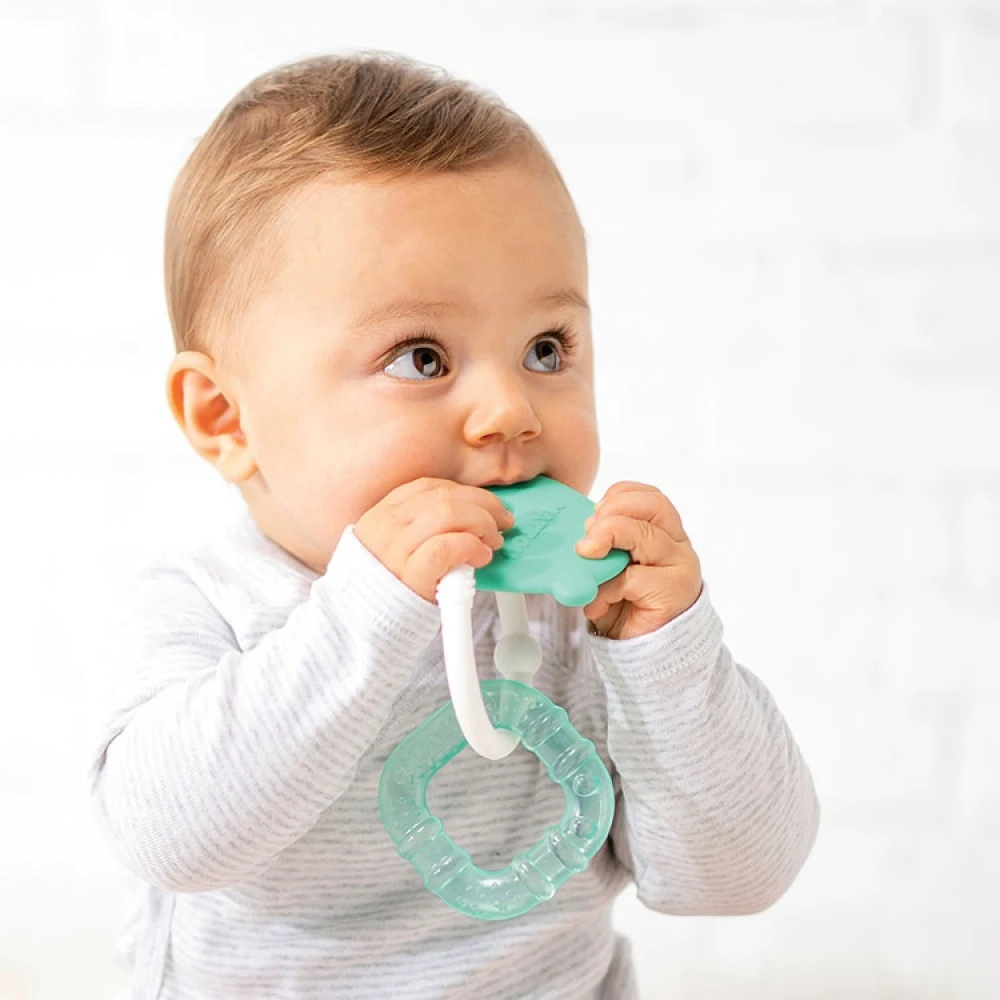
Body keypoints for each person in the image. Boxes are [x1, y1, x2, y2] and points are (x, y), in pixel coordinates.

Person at [89, 51, 819, 999]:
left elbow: (740, 877)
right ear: (227, 418)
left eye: (546, 348)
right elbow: (171, 839)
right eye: (422, 358)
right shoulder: (206, 606)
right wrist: (366, 613)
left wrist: (671, 660)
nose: (510, 409)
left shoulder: (582, 616)